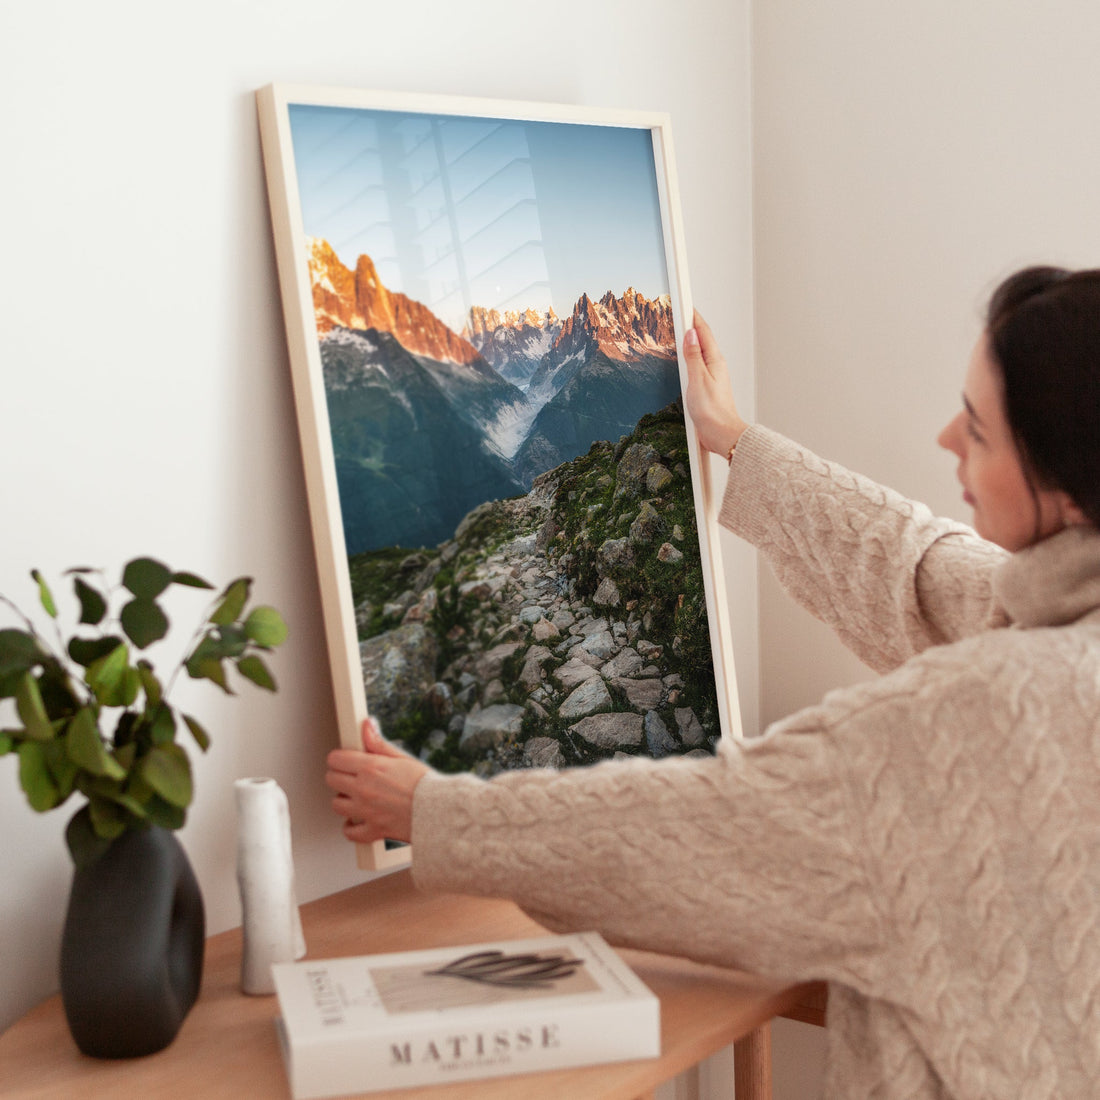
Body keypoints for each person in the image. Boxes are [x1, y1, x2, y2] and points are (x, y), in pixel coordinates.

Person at [326, 266, 1100, 1099]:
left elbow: (705, 827)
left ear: (1067, 488)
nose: (948, 437)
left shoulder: (980, 716)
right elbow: (919, 570)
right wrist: (734, 439)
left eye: (979, 430)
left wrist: (434, 812)